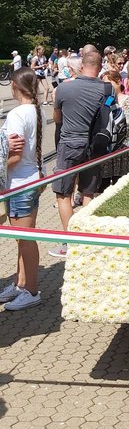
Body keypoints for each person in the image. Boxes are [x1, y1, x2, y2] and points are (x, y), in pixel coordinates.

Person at [50, 50, 109, 259]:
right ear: (100, 68)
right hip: (96, 146)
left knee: (63, 194)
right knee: (88, 193)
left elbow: (57, 118)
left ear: (81, 66)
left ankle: (70, 241)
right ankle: (87, 239)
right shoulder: (107, 89)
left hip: (69, 144)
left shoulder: (64, 88)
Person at [0, 68, 45, 310]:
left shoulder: (17, 113)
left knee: (25, 238)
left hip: (20, 183)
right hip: (32, 179)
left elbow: (15, 155)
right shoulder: (37, 109)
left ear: (15, 87)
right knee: (23, 238)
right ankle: (21, 284)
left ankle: (31, 290)